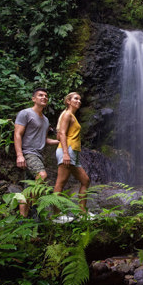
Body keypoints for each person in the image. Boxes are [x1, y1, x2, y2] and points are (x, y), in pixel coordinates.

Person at [14, 87, 59, 217]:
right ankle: (34, 206)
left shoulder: (45, 120)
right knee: (42, 175)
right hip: (28, 152)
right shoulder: (25, 113)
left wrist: (60, 142)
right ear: (34, 98)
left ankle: (23, 219)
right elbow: (17, 134)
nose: (44, 97)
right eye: (40, 95)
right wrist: (19, 155)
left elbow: (44, 139)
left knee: (28, 188)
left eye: (45, 96)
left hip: (39, 155)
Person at [53, 92, 92, 222]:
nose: (79, 101)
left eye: (80, 99)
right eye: (76, 98)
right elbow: (62, 134)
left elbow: (59, 134)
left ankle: (82, 213)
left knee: (85, 180)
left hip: (72, 152)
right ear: (68, 101)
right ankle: (56, 215)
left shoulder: (72, 116)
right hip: (67, 151)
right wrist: (65, 153)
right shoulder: (67, 115)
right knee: (60, 183)